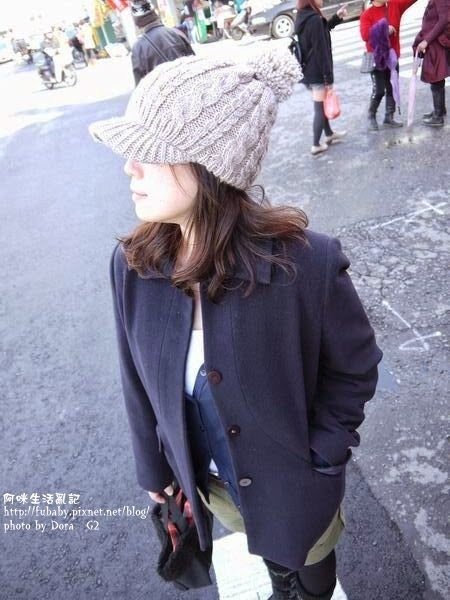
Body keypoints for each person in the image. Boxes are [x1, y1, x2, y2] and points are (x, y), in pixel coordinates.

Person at [89, 49, 382, 600]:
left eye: (148, 152)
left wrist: (323, 456)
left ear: (210, 165)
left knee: (312, 571)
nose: (130, 167)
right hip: (211, 484)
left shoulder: (304, 265)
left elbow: (355, 368)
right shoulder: (134, 266)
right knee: (268, 556)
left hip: (298, 485)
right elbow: (136, 380)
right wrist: (156, 469)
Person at [295, 0, 348, 156]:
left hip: (307, 70)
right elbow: (321, 51)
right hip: (316, 72)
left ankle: (329, 134)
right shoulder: (314, 19)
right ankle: (316, 144)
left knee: (321, 105)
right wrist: (328, 78)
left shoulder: (303, 16)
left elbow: (322, 32)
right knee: (319, 108)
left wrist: (336, 17)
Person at [360, 0, 418, 130]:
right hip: (377, 57)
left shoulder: (394, 6)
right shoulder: (367, 14)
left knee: (392, 86)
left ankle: (389, 116)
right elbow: (365, 35)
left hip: (392, 56)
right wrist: (384, 29)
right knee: (379, 90)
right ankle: (371, 115)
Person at [130, 0, 194, 87]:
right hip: (189, 87)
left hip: (162, 93)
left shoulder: (138, 49)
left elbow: (140, 87)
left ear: (137, 22)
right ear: (155, 14)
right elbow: (195, 63)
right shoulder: (177, 33)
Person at [413, 0, 449, 127]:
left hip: (436, 42)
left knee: (436, 77)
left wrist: (426, 41)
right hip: (434, 42)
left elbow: (444, 20)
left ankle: (438, 116)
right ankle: (440, 110)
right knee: (437, 77)